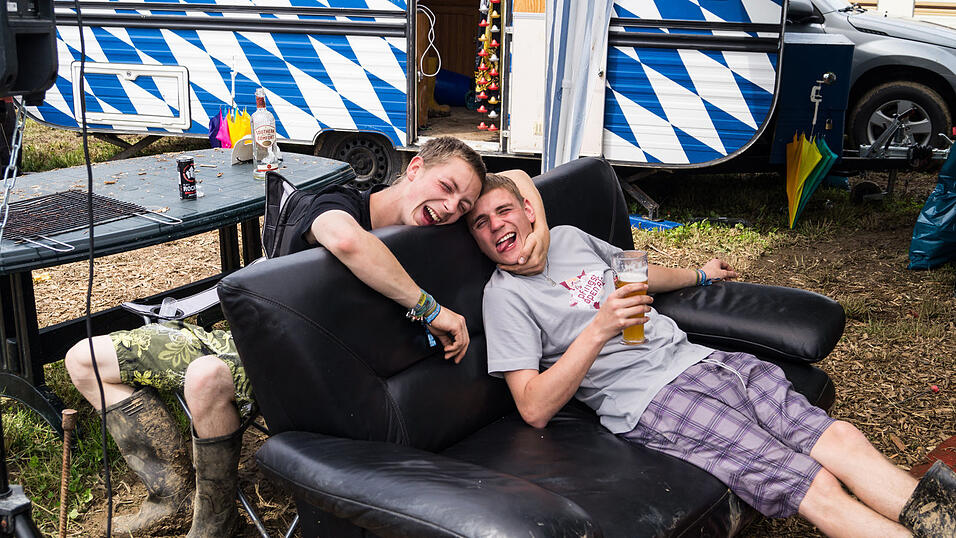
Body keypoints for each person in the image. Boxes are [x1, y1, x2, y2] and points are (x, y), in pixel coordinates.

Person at [64, 137, 549, 537]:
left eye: (463, 205)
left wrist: (540, 226)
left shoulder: (436, 229)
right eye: (445, 188)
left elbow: (516, 177)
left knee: (206, 376)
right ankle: (171, 492)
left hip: (301, 372)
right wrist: (429, 308)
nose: (448, 209)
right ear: (415, 167)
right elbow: (346, 239)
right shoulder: (338, 202)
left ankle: (215, 519)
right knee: (83, 359)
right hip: (254, 340)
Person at [465, 173, 956, 538]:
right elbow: (532, 406)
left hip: (704, 361)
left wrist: (700, 274)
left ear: (529, 210)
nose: (495, 226)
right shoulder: (505, 296)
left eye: (504, 211)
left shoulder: (570, 238)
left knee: (840, 437)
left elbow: (638, 273)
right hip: (653, 400)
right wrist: (598, 329)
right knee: (809, 483)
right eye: (480, 223)